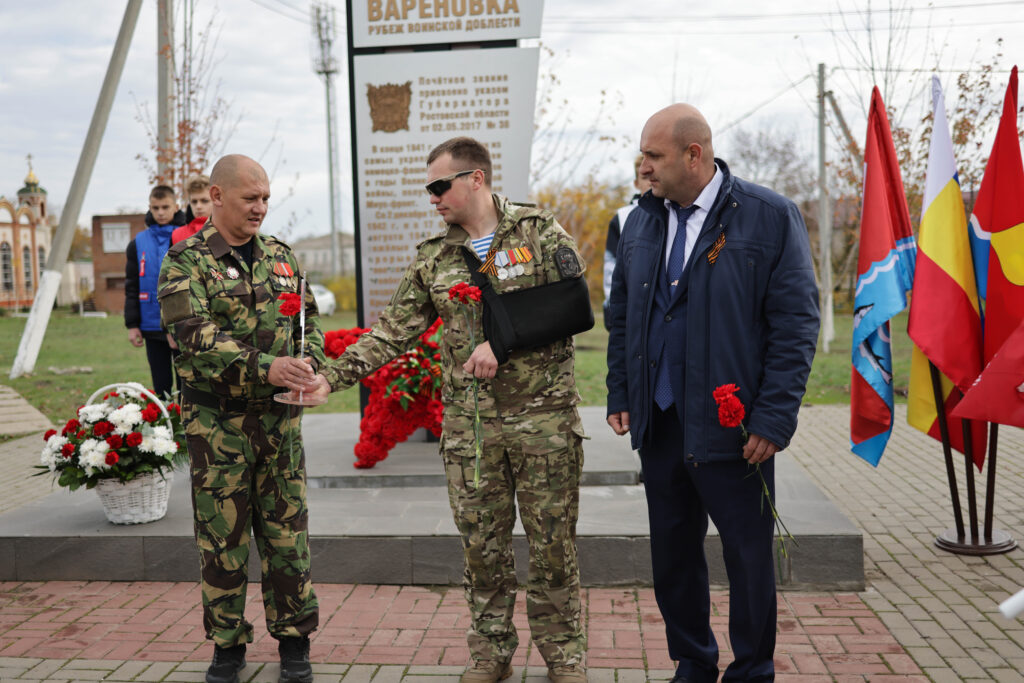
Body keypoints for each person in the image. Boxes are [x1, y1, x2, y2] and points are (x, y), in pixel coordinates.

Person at [304, 137, 589, 683]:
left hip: (544, 424)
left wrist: (501, 344)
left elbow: (574, 305)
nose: (432, 197)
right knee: (482, 548)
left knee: (553, 545)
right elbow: (392, 331)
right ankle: (491, 653)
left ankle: (564, 655)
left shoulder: (537, 230)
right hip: (471, 432)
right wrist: (330, 378)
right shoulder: (435, 256)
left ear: (475, 179)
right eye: (429, 188)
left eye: (440, 185)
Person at [605, 104, 819, 683]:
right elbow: (622, 313)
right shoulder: (640, 220)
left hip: (735, 427)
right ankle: (693, 663)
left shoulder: (768, 216)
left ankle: (752, 670)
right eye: (642, 156)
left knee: (747, 558)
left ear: (693, 154)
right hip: (660, 422)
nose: (643, 167)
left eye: (653, 156)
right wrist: (621, 390)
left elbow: (796, 324)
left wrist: (774, 418)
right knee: (673, 558)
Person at [157, 154, 324, 683]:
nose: (260, 207)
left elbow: (309, 323)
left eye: (266, 198)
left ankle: (294, 641)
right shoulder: (184, 261)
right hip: (218, 427)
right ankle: (227, 647)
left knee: (287, 535)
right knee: (222, 540)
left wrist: (308, 365)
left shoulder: (281, 257)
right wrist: (266, 367)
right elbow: (193, 336)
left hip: (280, 426)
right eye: (251, 198)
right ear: (217, 195)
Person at [125, 184, 186, 398]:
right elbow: (131, 285)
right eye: (155, 207)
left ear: (176, 207)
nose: (160, 212)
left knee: (186, 386)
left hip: (182, 323)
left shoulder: (186, 237)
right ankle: (164, 420)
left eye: (165, 207)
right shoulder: (137, 243)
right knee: (161, 387)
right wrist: (132, 324)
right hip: (151, 325)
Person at [602, 154, 650, 329]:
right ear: (636, 183)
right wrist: (614, 308)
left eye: (653, 175)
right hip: (630, 313)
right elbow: (611, 267)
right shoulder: (623, 218)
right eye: (644, 177)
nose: (650, 181)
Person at [173, 174, 213, 244]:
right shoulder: (177, 234)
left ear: (215, 200)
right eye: (194, 201)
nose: (198, 206)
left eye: (204, 201)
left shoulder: (227, 232)